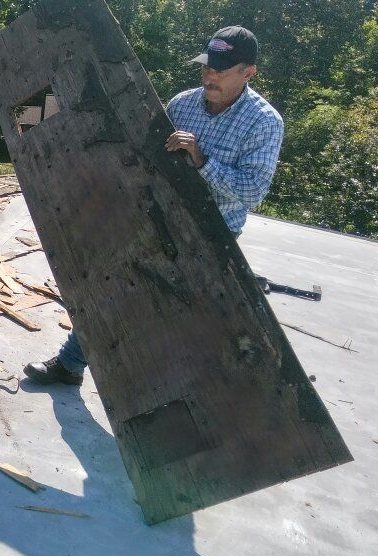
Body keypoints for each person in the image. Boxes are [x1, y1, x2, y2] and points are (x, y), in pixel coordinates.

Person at [24, 25, 284, 386]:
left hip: (213, 231)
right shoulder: (183, 104)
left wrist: (201, 159)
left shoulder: (264, 122)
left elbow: (253, 191)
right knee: (115, 286)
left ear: (248, 72)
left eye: (221, 69)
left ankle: (182, 397)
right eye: (207, 65)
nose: (210, 74)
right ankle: (70, 364)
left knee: (169, 310)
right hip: (159, 215)